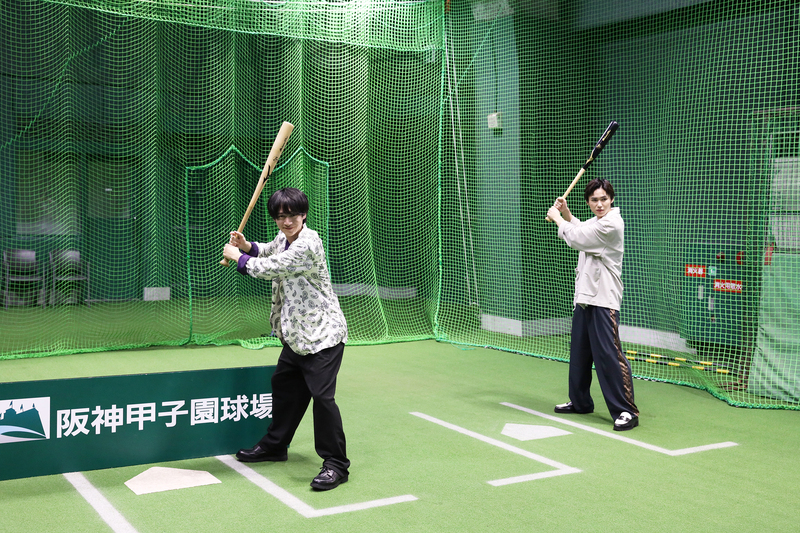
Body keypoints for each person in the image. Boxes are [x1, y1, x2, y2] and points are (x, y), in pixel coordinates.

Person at [222, 187, 350, 490]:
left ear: (303, 215)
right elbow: (268, 251)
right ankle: (275, 446)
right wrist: (247, 246)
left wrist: (238, 258)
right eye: (280, 217)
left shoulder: (308, 243)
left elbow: (272, 267)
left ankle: (336, 465)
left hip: (323, 335)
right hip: (296, 335)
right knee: (285, 388)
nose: (287, 221)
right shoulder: (284, 237)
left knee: (322, 399)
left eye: (292, 215)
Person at [546, 178, 639, 431]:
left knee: (609, 356)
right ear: (588, 202)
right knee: (579, 353)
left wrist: (558, 218)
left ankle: (626, 411)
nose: (599, 204)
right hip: (585, 297)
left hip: (603, 300)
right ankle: (580, 402)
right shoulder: (597, 222)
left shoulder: (612, 224)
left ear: (611, 199)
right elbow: (581, 228)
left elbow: (578, 237)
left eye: (604, 199)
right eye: (594, 200)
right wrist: (567, 214)